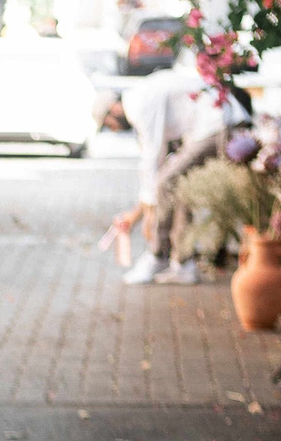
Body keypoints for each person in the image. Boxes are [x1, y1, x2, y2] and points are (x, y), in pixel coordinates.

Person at [103, 51, 243, 285]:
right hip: (214, 124)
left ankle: (157, 255)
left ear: (113, 110)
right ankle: (183, 262)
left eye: (108, 124)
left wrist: (149, 211)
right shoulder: (144, 93)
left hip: (215, 124)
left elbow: (152, 156)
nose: (113, 129)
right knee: (180, 188)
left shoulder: (138, 104)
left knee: (167, 182)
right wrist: (143, 208)